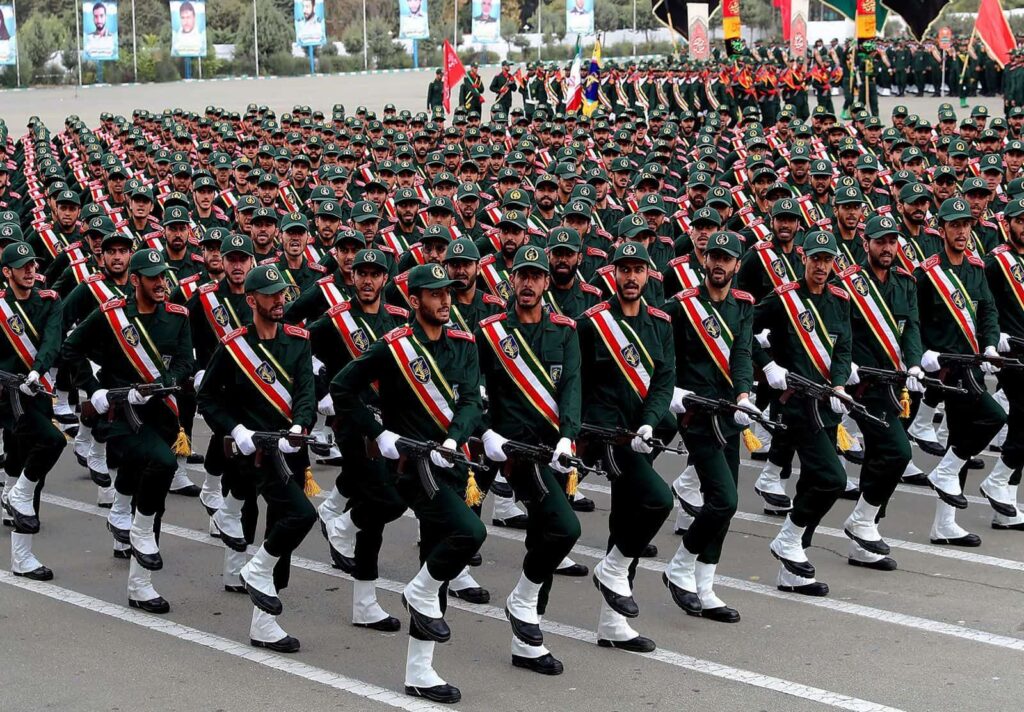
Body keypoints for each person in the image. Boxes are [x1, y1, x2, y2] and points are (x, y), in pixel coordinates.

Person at [331, 263, 485, 704]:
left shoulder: (463, 343)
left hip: (452, 464)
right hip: (414, 471)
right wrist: (379, 434)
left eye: (448, 293)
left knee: (436, 561)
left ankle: (420, 672)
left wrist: (455, 437)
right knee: (470, 533)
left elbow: (472, 400)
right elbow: (344, 388)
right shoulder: (393, 347)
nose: (444, 301)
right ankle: (415, 590)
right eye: (434, 295)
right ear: (414, 302)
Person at [62, 248, 195, 613]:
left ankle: (140, 584)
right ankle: (129, 520)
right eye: (152, 277)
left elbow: (186, 360)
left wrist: (162, 382)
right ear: (135, 280)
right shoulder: (112, 314)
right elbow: (71, 348)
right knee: (163, 464)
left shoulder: (178, 316)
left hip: (159, 413)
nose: (160, 283)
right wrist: (95, 391)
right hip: (119, 414)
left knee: (148, 490)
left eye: (163, 275)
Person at [197, 264, 318, 652]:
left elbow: (305, 391)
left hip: (288, 449)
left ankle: (264, 622)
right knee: (301, 515)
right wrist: (235, 429)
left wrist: (300, 425)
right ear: (251, 300)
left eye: (282, 293)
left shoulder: (298, 340)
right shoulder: (234, 345)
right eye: (270, 295)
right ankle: (254, 567)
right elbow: (207, 398)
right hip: (253, 452)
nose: (280, 300)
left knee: (282, 525)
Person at [476, 245, 582, 674]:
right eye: (522, 275)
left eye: (536, 277)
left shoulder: (564, 331)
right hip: (512, 452)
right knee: (564, 529)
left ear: (544, 283)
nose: (529, 283)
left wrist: (568, 439)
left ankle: (528, 642)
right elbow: (470, 389)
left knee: (543, 538)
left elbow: (570, 387)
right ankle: (521, 602)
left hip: (551, 451)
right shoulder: (490, 332)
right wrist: (485, 433)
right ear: (511, 279)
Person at [578, 242, 675, 652]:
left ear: (648, 274)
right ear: (613, 274)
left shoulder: (659, 323)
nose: (631, 277)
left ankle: (612, 624)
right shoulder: (592, 323)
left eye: (639, 270)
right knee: (657, 500)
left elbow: (663, 382)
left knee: (626, 518)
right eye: (625, 270)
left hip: (640, 436)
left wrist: (651, 423)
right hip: (606, 437)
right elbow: (575, 383)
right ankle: (613, 568)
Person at [310, 248, 408, 631]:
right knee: (386, 499)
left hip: (390, 427)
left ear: (385, 279)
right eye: (361, 273)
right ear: (351, 278)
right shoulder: (334, 321)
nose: (367, 280)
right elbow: (298, 347)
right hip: (352, 423)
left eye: (375, 274)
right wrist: (320, 394)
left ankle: (364, 603)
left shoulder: (398, 320)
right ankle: (342, 525)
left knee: (378, 515)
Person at [753, 230, 852, 597]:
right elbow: (741, 331)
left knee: (812, 482)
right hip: (795, 403)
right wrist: (767, 365)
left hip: (826, 403)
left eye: (828, 261)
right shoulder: (783, 299)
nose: (822, 267)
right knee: (832, 479)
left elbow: (844, 348)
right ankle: (788, 538)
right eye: (816, 259)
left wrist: (841, 385)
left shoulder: (840, 300)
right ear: (803, 259)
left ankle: (793, 571)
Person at [661, 230, 753, 622]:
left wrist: (746, 396)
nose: (718, 263)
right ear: (704, 261)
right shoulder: (681, 307)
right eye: (713, 256)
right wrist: (674, 393)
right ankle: (678, 567)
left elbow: (742, 354)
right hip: (695, 414)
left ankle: (705, 585)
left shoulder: (743, 305)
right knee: (724, 499)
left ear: (736, 265)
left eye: (726, 258)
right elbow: (665, 358)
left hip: (729, 413)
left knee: (726, 503)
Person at [916, 198, 1007, 547]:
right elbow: (914, 320)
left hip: (971, 363)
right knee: (993, 418)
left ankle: (945, 523)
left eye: (967, 224)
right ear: (942, 229)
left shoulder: (974, 265)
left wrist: (988, 346)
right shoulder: (927, 273)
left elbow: (987, 310)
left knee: (960, 439)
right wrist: (924, 355)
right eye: (955, 225)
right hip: (945, 368)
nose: (962, 231)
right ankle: (946, 471)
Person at [837, 215, 923, 571]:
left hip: (895, 383)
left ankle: (865, 541)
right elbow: (835, 330)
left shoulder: (905, 282)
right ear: (865, 243)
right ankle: (861, 519)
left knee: (879, 457)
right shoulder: (848, 284)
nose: (887, 248)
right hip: (862, 385)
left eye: (892, 241)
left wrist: (915, 363)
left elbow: (911, 327)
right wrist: (846, 367)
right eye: (880, 242)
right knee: (897, 451)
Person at [0, 243, 67, 581]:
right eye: (22, 266)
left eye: (33, 265)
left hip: (34, 392)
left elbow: (52, 341)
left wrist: (36, 372)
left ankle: (21, 557)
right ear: (7, 272)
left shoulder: (48, 302)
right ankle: (16, 494)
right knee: (46, 446)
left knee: (27, 468)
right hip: (4, 396)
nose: (30, 271)